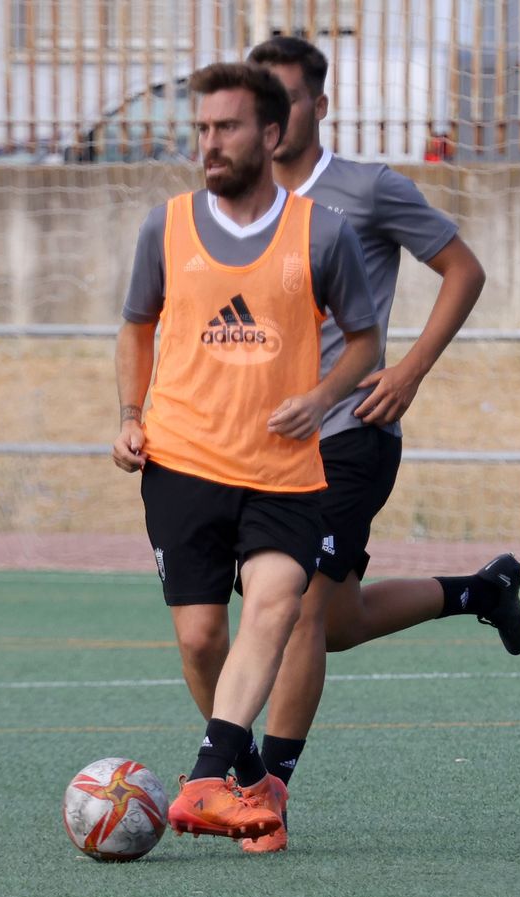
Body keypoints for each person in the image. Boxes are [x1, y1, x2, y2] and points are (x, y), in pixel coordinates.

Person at [219, 36, 520, 854]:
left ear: (319, 106)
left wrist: (412, 369)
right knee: (340, 619)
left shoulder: (366, 190)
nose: (269, 118)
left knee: (296, 613)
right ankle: (480, 593)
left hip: (351, 434)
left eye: (283, 100)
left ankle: (269, 796)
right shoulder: (235, 204)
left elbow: (464, 268)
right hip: (259, 447)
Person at [111, 61, 382, 843]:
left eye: (226, 128)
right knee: (202, 639)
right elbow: (135, 324)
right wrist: (130, 414)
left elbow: (366, 342)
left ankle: (201, 782)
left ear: (270, 133)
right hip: (182, 462)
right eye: (202, 129)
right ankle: (250, 784)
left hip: (284, 473)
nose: (210, 143)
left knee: (276, 604)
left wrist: (325, 397)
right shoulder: (163, 227)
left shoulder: (321, 232)